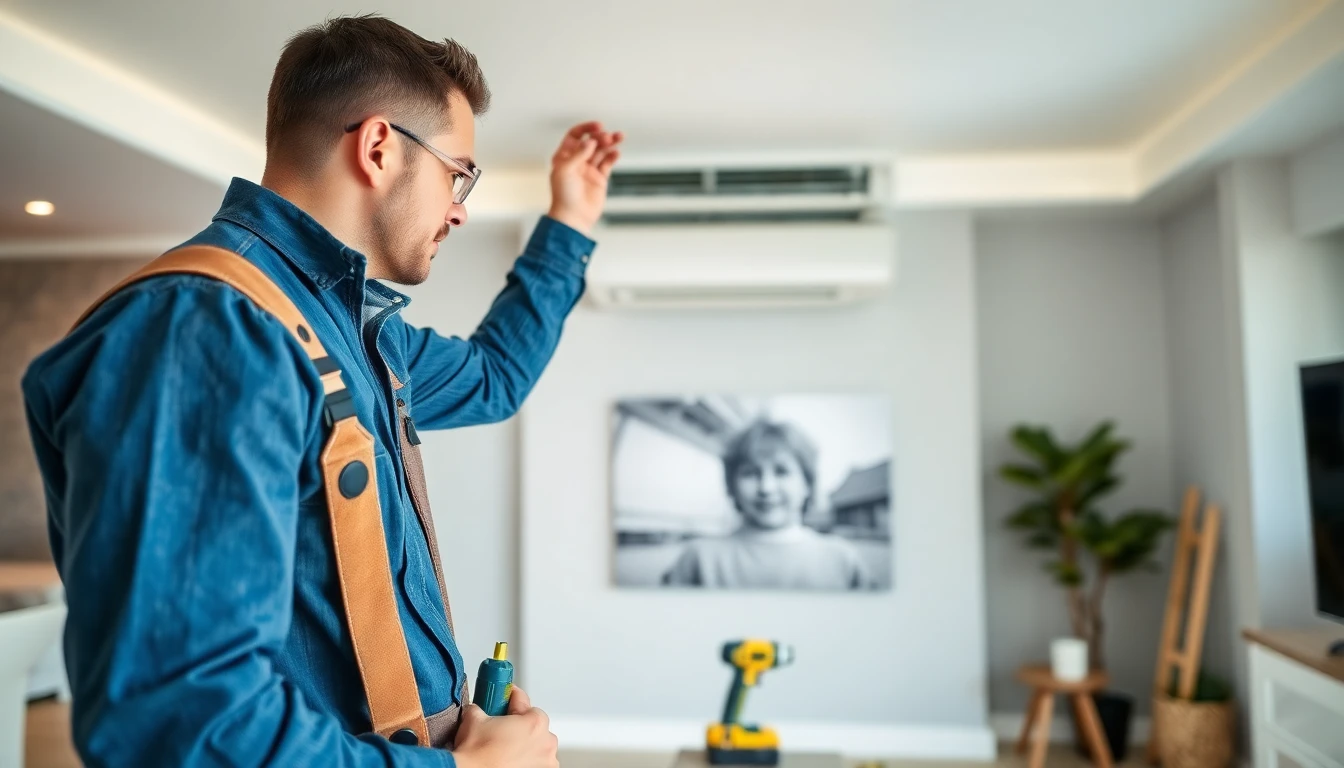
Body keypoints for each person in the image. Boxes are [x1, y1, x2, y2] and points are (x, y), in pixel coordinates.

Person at [21, 15, 621, 768]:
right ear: (379, 148)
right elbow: (182, 725)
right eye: (457, 174)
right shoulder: (207, 329)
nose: (460, 208)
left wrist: (569, 220)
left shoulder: (353, 334)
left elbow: (494, 379)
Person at [661, 420, 874, 590]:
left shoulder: (843, 561)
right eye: (750, 473)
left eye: (781, 471)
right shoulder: (698, 560)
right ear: (731, 486)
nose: (766, 488)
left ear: (807, 484)